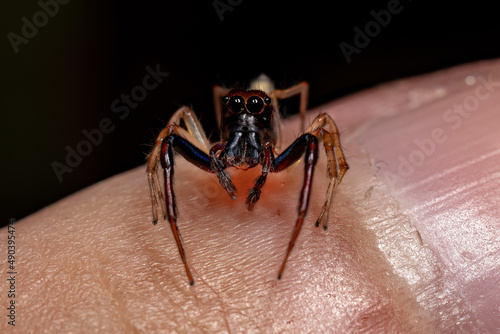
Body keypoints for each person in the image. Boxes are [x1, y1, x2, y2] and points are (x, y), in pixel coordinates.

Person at [2, 59, 499, 333]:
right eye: (235, 107)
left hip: (272, 144)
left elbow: (323, 133)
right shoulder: (219, 128)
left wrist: (322, 200)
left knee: (321, 128)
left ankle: (307, 219)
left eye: (250, 108)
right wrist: (160, 194)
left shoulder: (276, 134)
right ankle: (168, 220)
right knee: (176, 124)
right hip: (234, 143)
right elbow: (173, 133)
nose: (240, 113)